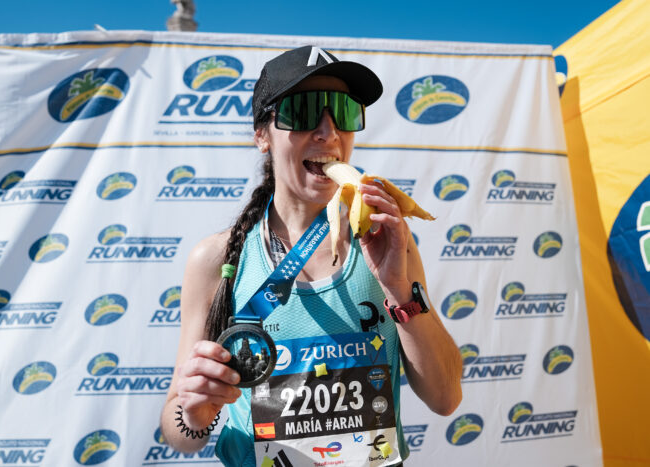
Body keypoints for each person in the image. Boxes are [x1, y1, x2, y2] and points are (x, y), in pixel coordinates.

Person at [160, 45, 462, 466]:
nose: (328, 132)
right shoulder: (216, 258)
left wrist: (398, 291)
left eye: (344, 112)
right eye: (302, 112)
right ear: (261, 135)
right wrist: (194, 412)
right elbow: (180, 433)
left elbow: (446, 398)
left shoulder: (386, 241)